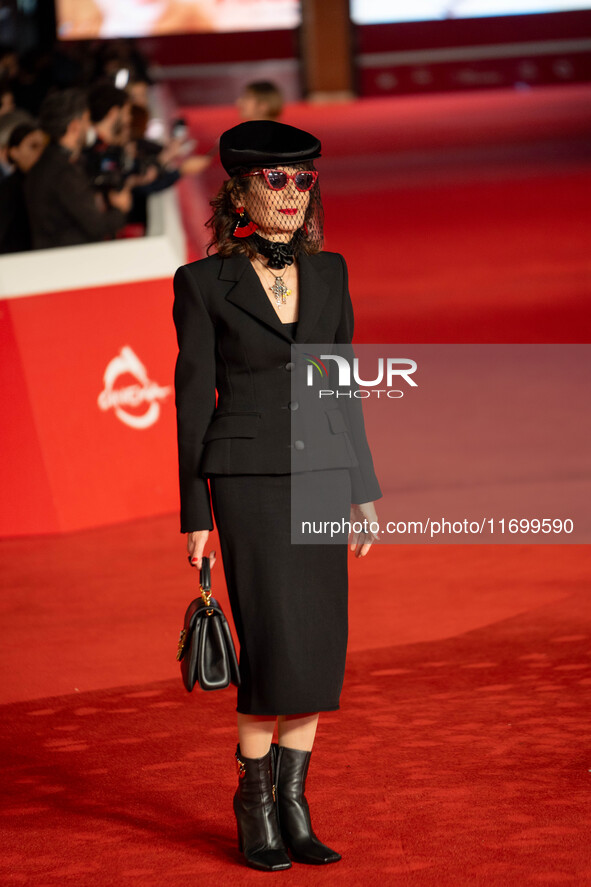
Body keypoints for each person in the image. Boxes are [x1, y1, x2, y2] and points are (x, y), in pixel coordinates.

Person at [173, 120, 381, 872]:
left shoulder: (331, 274)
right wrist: (194, 514)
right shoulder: (200, 284)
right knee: (272, 644)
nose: (290, 193)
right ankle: (254, 804)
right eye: (274, 180)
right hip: (247, 478)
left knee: (319, 645)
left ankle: (295, 805)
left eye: (302, 180)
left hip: (323, 470)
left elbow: (342, 384)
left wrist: (362, 487)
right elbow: (193, 400)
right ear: (240, 190)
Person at [25, 88, 130, 249]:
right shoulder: (63, 172)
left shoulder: (47, 163)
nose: (90, 127)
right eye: (87, 121)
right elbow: (97, 226)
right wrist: (119, 208)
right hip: (69, 260)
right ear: (74, 127)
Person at [0, 123, 46, 253]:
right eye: (33, 146)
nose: (41, 152)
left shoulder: (47, 183)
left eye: (44, 146)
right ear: (14, 152)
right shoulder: (9, 188)